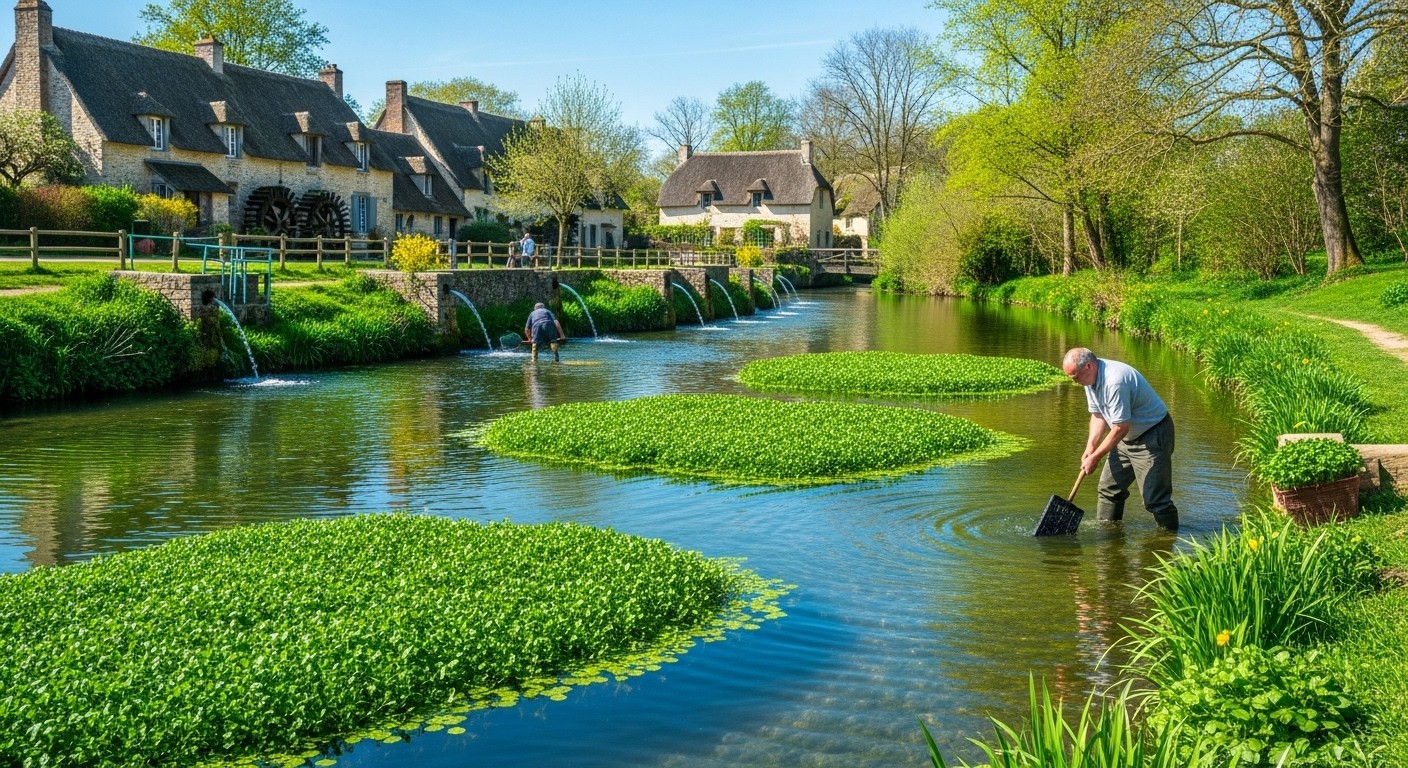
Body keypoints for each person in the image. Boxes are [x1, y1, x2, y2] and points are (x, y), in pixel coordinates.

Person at [1061, 347, 1178, 530]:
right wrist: (1090, 448)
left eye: (1075, 377)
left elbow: (1121, 427)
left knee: (1155, 501)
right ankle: (1109, 536)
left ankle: (1168, 541)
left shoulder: (1115, 381)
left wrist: (1096, 458)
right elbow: (1098, 415)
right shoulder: (1089, 380)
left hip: (1152, 436)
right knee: (1109, 489)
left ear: (1089, 366)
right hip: (1126, 436)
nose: (1075, 382)